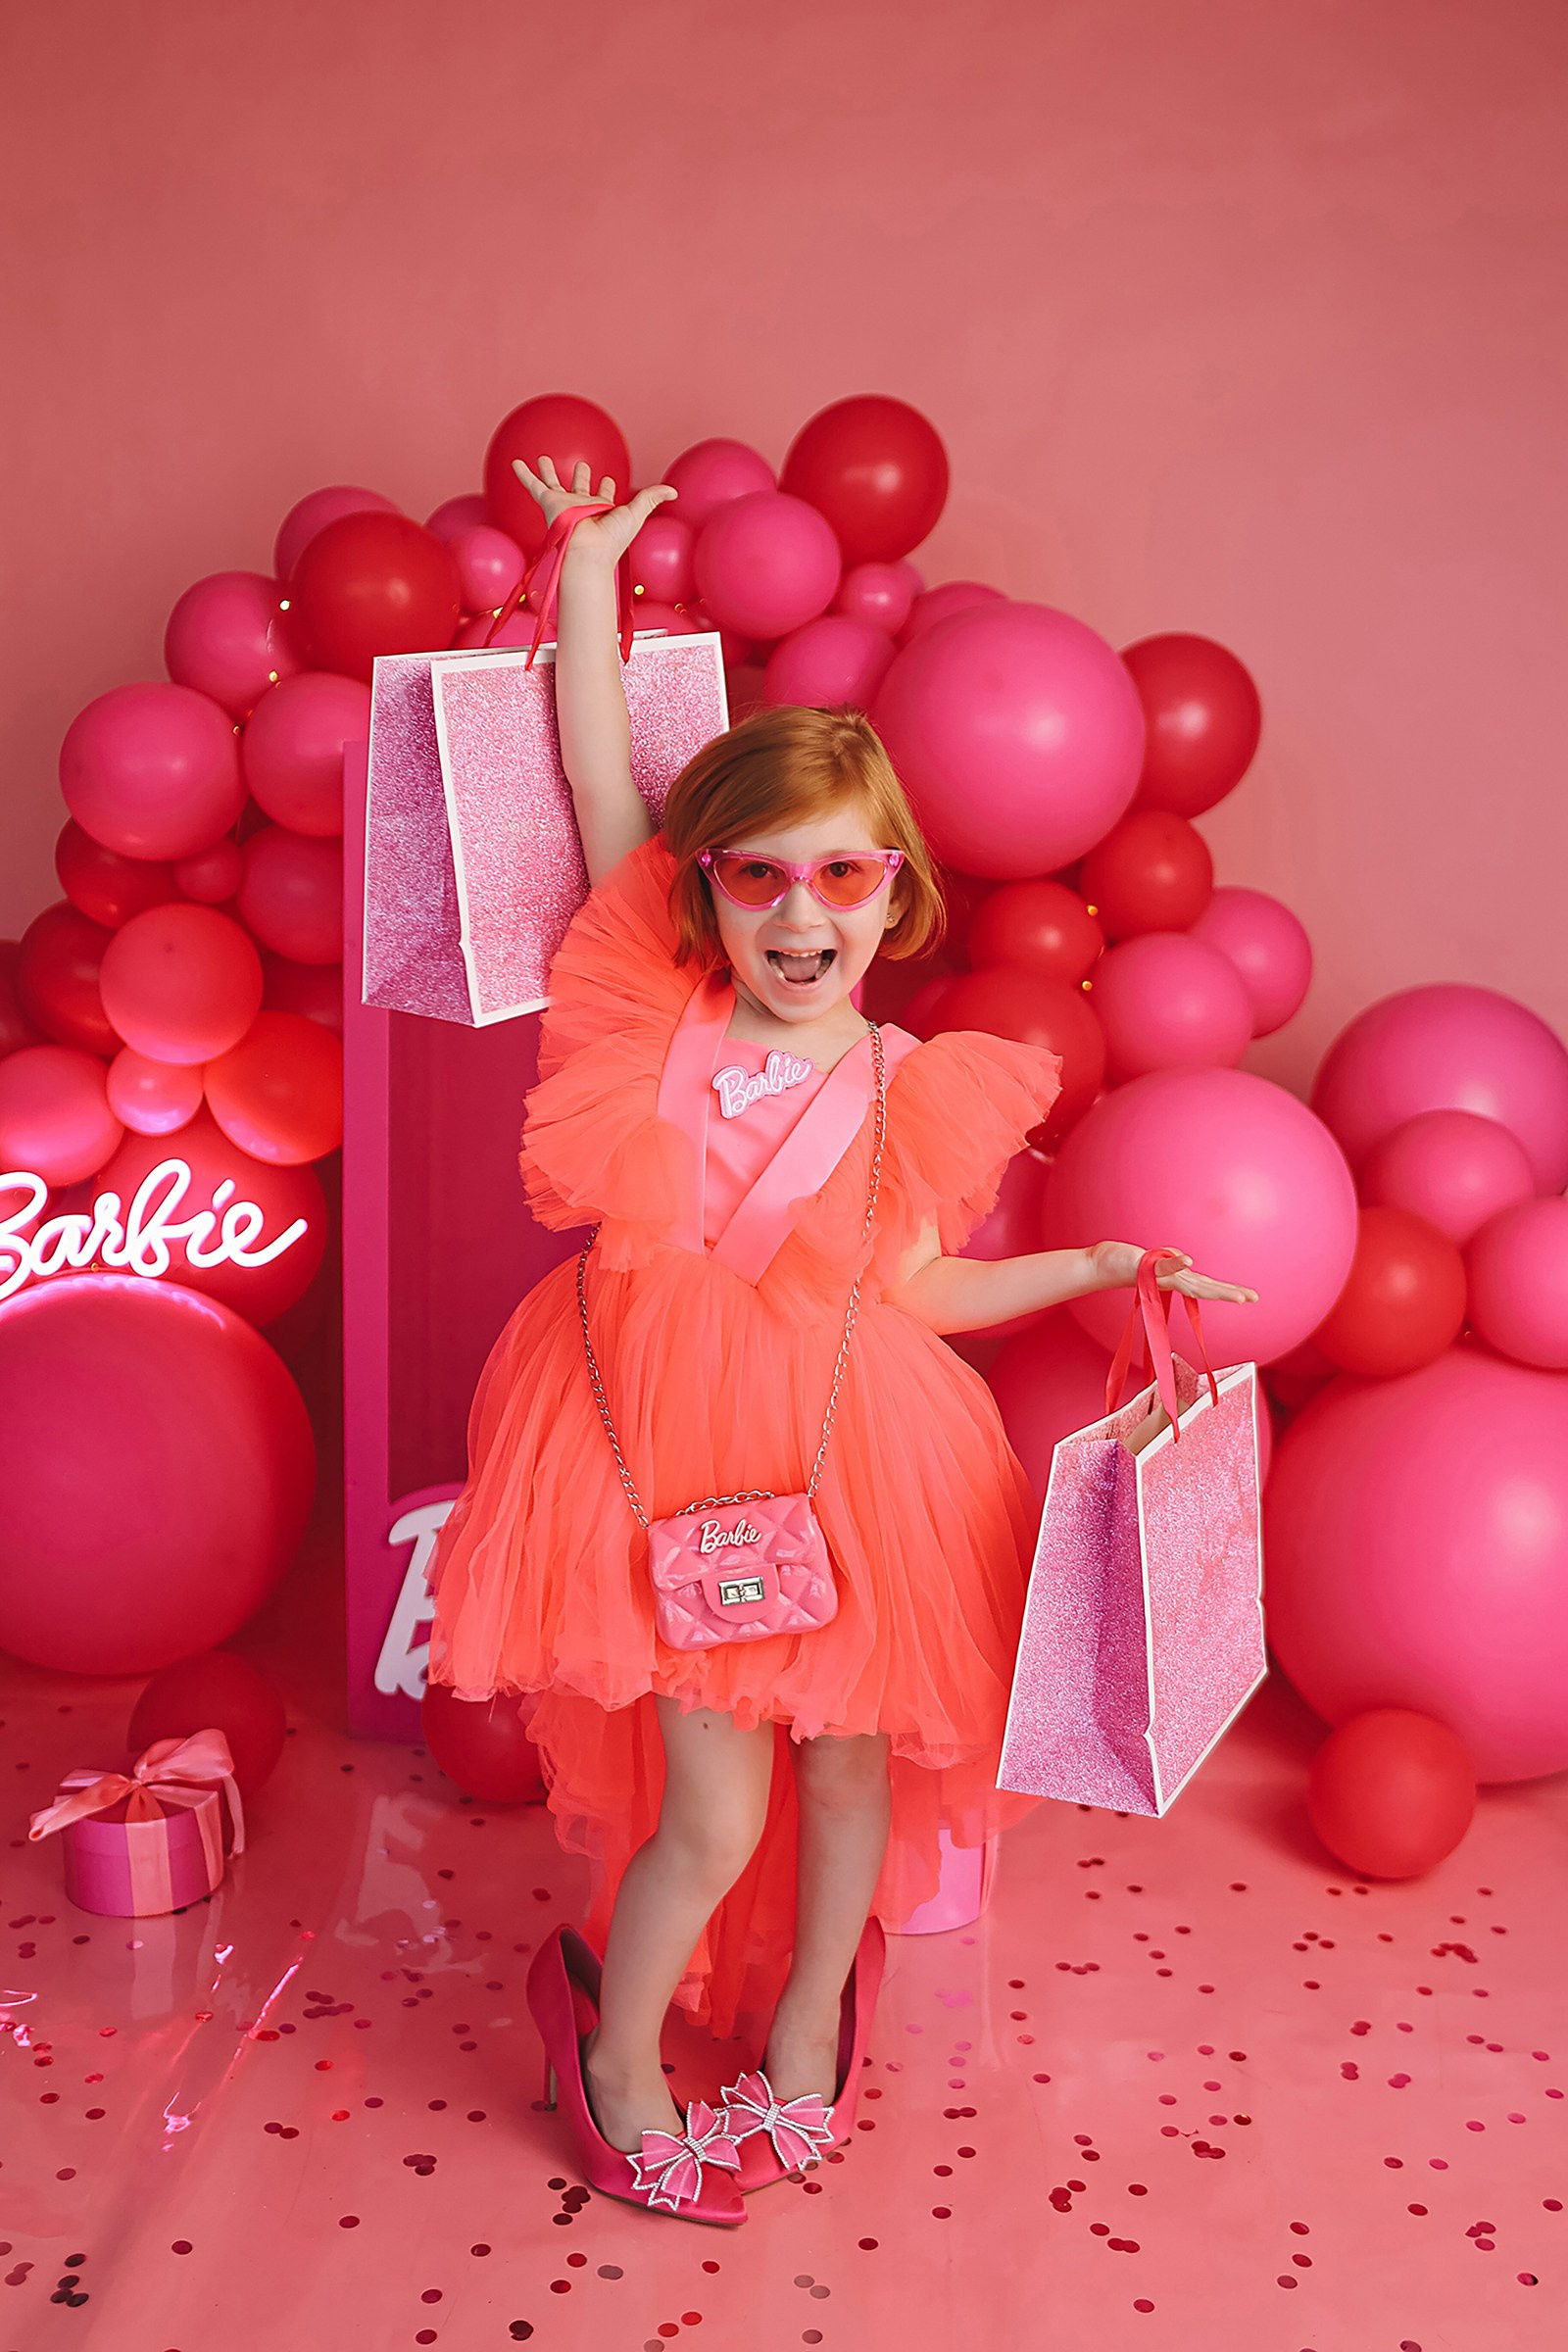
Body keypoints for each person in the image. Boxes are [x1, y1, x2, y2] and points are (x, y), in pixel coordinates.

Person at [425, 455, 1257, 2226]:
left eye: (841, 878)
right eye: (759, 879)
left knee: (854, 1758)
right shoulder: (654, 1011)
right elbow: (599, 773)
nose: (801, 918)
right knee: (715, 1808)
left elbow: (917, 1290)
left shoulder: (905, 1084)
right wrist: (595, 572)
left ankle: (815, 2013)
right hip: (660, 1440)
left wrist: (1101, 1261)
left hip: (846, 1446)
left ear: (896, 893)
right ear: (707, 891)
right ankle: (615, 2049)